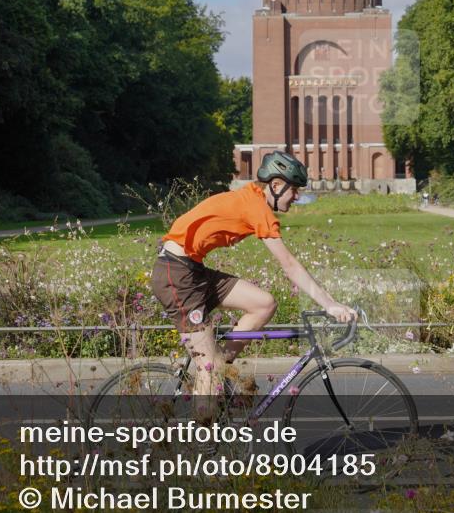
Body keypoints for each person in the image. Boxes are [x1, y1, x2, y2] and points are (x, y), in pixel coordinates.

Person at [151, 151, 356, 415]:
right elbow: (289, 264)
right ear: (276, 185)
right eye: (293, 190)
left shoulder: (252, 198)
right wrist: (329, 304)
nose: (297, 197)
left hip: (192, 270)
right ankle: (202, 443)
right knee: (208, 366)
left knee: (264, 303)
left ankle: (219, 369)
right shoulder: (257, 207)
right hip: (175, 274)